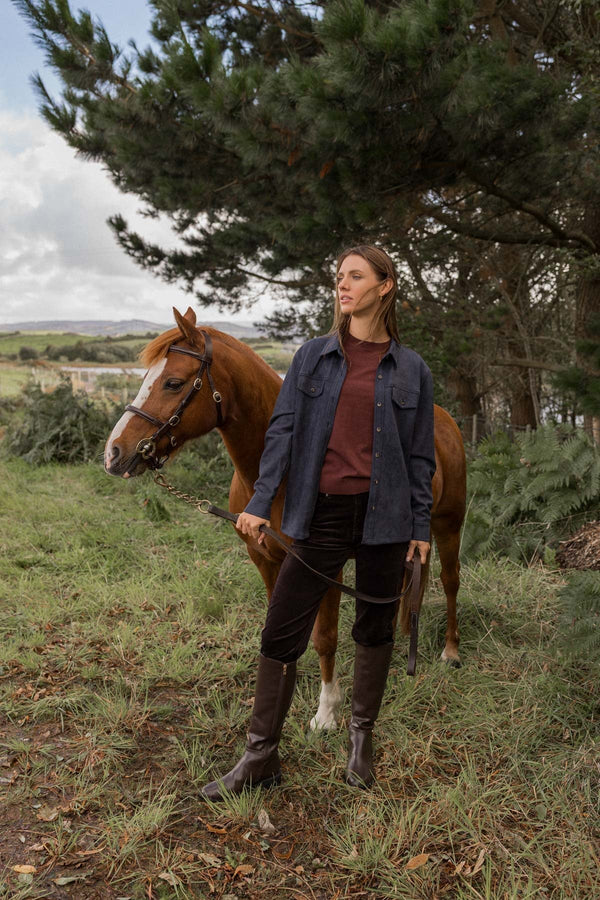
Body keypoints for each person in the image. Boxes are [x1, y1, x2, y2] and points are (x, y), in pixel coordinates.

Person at [201, 244, 435, 799]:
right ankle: (260, 758)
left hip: (386, 517)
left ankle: (361, 741)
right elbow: (281, 433)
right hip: (319, 513)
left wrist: (420, 529)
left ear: (385, 286)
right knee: (281, 630)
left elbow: (420, 456)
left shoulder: (412, 369)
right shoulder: (311, 357)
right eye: (339, 277)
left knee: (374, 629)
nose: (343, 285)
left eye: (355, 276)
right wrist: (259, 502)